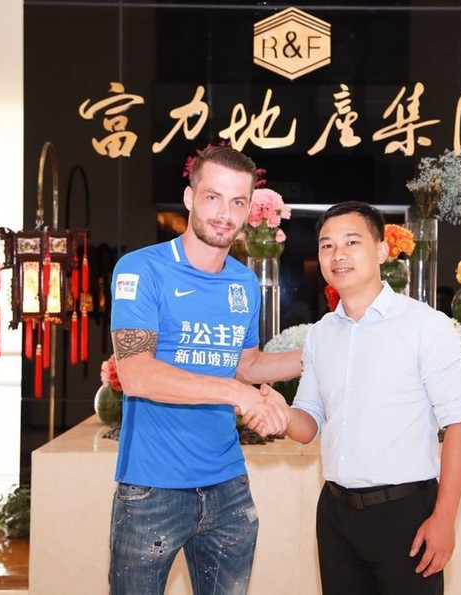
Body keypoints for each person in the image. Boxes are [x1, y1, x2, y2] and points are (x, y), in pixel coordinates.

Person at [255, 201, 461, 594]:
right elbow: (308, 423)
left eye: (351, 242)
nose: (337, 254)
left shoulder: (426, 326)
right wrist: (280, 414)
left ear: (382, 250)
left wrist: (444, 519)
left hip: (405, 514)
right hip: (335, 515)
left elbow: (460, 423)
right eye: (327, 245)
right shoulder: (321, 333)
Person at [108, 146, 300, 595]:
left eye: (238, 202)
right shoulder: (141, 269)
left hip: (228, 485)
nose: (225, 214)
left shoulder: (244, 282)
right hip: (151, 488)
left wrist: (318, 352)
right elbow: (136, 374)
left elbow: (246, 365)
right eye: (213, 197)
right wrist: (239, 395)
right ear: (190, 197)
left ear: (250, 210)